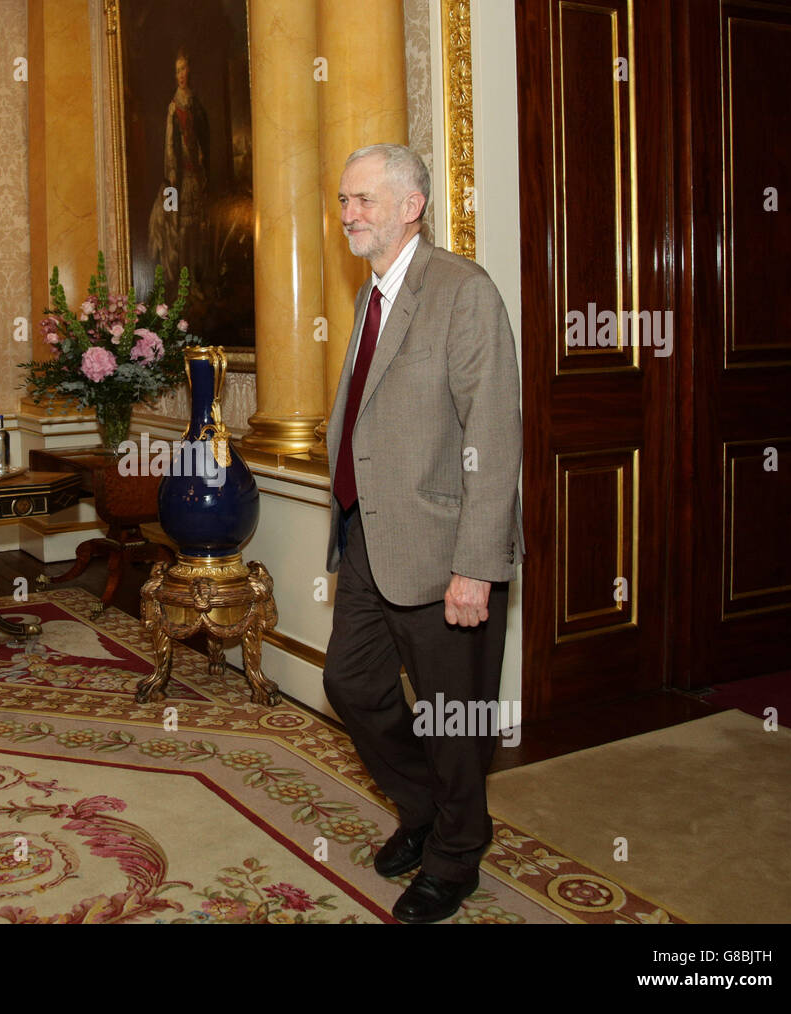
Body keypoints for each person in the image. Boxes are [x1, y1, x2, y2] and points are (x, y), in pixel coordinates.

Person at [322, 145, 523, 924]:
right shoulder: (374, 294)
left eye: (363, 200)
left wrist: (476, 565)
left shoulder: (462, 292)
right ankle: (428, 808)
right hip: (369, 541)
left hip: (444, 551)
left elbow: (493, 436)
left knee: (454, 715)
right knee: (351, 685)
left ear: (412, 205)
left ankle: (456, 855)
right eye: (343, 201)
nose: (348, 215)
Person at [148, 48, 210, 297]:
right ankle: (182, 285)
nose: (182, 74)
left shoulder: (196, 104)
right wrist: (172, 178)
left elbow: (203, 141)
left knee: (197, 229)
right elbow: (169, 147)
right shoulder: (173, 108)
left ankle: (195, 282)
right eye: (177, 70)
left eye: (184, 69)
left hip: (196, 176)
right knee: (179, 230)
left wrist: (202, 162)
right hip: (178, 181)